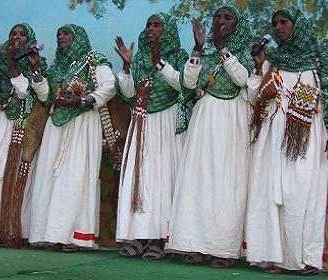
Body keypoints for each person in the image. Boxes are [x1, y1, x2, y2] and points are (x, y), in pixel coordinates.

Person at [244, 7, 328, 274]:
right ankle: (274, 258)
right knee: (270, 195)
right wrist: (258, 66)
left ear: (297, 25)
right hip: (274, 135)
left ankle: (305, 259)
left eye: (284, 22)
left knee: (303, 194)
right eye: (275, 23)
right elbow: (253, 97)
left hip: (308, 135)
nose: (278, 27)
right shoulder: (272, 58)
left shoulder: (318, 56)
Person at [167, 4, 253, 268]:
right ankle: (196, 245)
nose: (221, 21)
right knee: (199, 179)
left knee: (227, 181)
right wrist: (197, 47)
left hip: (232, 119)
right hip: (204, 119)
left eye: (228, 18)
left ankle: (223, 249)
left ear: (237, 24)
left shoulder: (246, 51)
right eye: (217, 17)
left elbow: (243, 79)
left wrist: (221, 48)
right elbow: (189, 83)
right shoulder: (204, 52)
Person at [28, 24, 116, 251]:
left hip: (82, 125)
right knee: (50, 175)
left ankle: (74, 237)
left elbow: (109, 87)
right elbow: (47, 96)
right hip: (56, 125)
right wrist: (36, 70)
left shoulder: (93, 60)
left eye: (66, 33)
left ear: (78, 38)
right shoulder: (58, 65)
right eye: (58, 34)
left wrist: (82, 100)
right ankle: (51, 234)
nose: (61, 36)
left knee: (76, 177)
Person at [115, 12, 188, 260]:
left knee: (163, 177)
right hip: (142, 121)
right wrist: (126, 65)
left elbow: (183, 86)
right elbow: (127, 93)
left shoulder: (179, 56)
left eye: (158, 25)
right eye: (149, 24)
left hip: (166, 121)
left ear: (167, 30)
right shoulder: (138, 59)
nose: (152, 28)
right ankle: (139, 235)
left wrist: (160, 62)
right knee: (142, 177)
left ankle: (160, 239)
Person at [0, 23, 48, 246]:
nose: (17, 37)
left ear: (30, 39)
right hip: (1, 124)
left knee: (16, 177)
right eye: (13, 34)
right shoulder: (0, 64)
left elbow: (25, 91)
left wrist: (14, 63)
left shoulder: (38, 63)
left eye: (22, 34)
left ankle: (12, 229)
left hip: (23, 125)